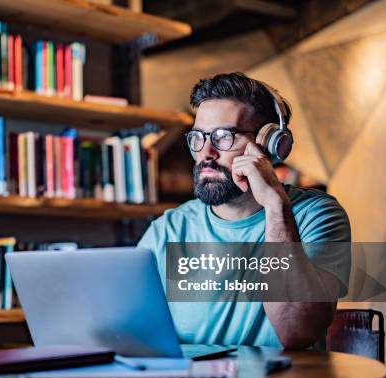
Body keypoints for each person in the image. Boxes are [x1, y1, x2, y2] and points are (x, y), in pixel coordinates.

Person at [138, 73, 351, 349]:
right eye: (198, 138)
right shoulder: (168, 229)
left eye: (223, 137)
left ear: (270, 143)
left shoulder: (317, 215)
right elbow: (126, 329)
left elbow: (297, 331)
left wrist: (275, 206)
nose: (206, 153)